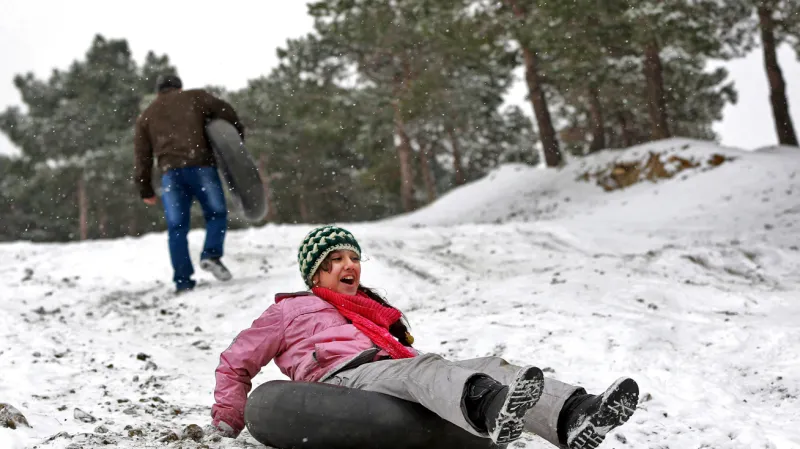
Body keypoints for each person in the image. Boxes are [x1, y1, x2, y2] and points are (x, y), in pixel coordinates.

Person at [210, 225, 640, 448]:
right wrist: (227, 420)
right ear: (316, 272)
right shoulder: (289, 310)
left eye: (355, 257)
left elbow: (404, 357)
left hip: (390, 370)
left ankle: (575, 416)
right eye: (337, 258)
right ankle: (490, 409)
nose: (350, 265)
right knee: (423, 369)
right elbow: (236, 361)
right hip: (343, 381)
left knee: (489, 365)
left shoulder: (371, 311)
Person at [133, 75, 244, 294]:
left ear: (158, 92)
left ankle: (183, 281)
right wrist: (236, 143)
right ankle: (210, 255)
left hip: (170, 174)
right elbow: (227, 113)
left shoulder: (147, 115)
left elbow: (142, 156)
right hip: (201, 166)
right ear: (179, 88)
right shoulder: (196, 97)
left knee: (177, 229)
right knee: (216, 214)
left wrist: (145, 188)